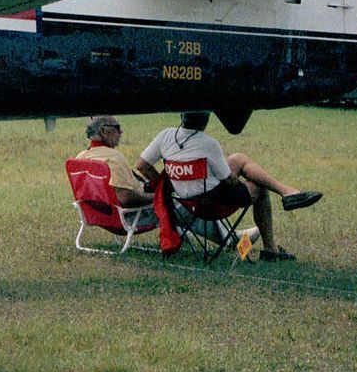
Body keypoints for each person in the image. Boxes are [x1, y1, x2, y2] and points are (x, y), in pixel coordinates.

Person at [136, 111, 320, 262]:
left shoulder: (165, 136)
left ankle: (287, 192)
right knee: (259, 187)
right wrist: (235, 179)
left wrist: (170, 181)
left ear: (182, 117)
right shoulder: (209, 144)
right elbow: (230, 181)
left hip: (187, 201)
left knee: (237, 159)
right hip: (214, 205)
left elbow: (141, 165)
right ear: (206, 121)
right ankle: (271, 247)